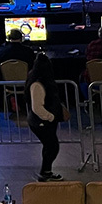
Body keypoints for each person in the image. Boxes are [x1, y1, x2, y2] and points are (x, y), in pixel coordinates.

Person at [26, 52, 68, 181]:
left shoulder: (38, 79)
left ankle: (46, 171)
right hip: (41, 122)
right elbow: (37, 107)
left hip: (43, 121)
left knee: (50, 146)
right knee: (52, 146)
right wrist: (51, 117)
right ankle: (45, 172)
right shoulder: (37, 85)